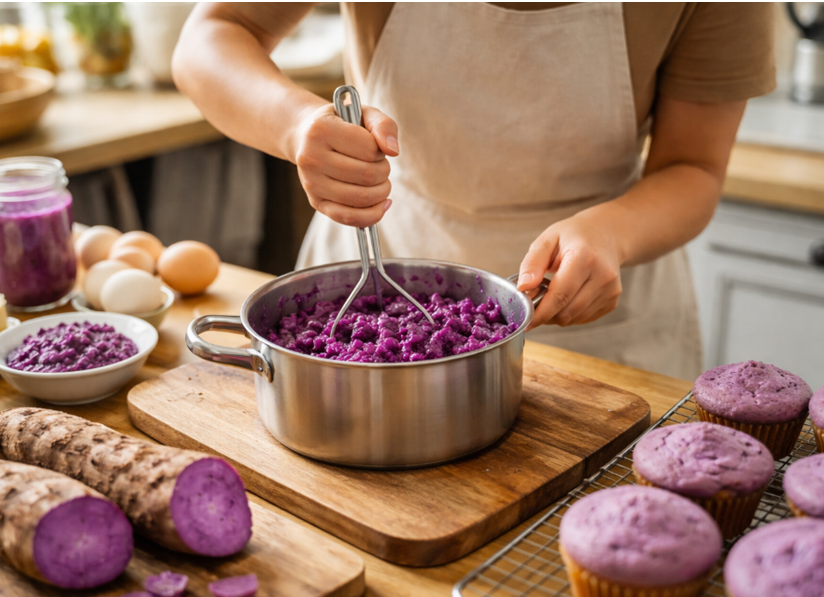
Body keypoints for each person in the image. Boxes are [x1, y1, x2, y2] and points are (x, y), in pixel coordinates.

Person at [173, 1, 775, 379]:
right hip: (384, 251)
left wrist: (611, 234)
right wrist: (293, 121)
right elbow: (214, 35)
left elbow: (692, 168)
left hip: (599, 304)